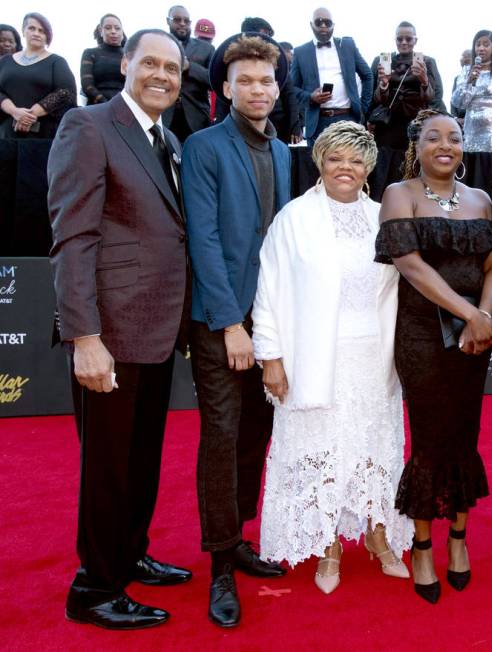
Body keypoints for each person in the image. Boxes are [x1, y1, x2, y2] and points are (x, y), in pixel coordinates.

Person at [48, 28, 191, 630]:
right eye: (151, 63)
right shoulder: (88, 125)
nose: (163, 75)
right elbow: (73, 237)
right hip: (109, 332)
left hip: (157, 328)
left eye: (174, 68)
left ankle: (129, 554)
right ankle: (94, 587)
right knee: (107, 466)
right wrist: (85, 336)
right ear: (125, 63)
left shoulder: (168, 137)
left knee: (140, 459)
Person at [253, 121, 413, 594]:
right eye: (336, 158)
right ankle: (327, 547)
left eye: (356, 159)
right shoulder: (294, 218)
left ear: (368, 167)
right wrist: (272, 358)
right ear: (320, 161)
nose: (346, 167)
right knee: (320, 453)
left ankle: (379, 536)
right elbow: (269, 290)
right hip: (312, 359)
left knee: (373, 452)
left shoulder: (383, 215)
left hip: (374, 361)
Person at [182, 32, 291, 628]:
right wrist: (230, 325)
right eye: (245, 80)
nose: (257, 89)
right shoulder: (203, 146)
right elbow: (204, 239)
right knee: (222, 439)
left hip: (269, 319)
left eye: (266, 81)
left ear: (278, 89)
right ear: (225, 88)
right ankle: (220, 564)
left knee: (256, 433)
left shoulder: (279, 150)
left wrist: (272, 323)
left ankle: (241, 537)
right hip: (221, 320)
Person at [376, 109, 492, 603]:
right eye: (434, 137)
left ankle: (458, 541)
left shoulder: (481, 200)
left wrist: (484, 317)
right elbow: (411, 266)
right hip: (422, 334)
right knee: (429, 440)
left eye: (454, 137)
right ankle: (422, 546)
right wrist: (469, 314)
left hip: (474, 339)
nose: (445, 145)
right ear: (418, 145)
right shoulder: (399, 194)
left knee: (464, 436)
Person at [289, 7, 372, 141]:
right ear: (311, 25)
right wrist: (311, 97)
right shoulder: (300, 52)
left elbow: (367, 75)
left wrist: (363, 108)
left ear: (333, 25)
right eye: (319, 22)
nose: (323, 26)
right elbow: (292, 88)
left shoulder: (347, 45)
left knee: (348, 161)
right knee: (318, 162)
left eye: (327, 23)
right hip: (317, 123)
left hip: (348, 119)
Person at [368, 21, 445, 150]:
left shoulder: (427, 62)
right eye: (399, 39)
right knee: (386, 164)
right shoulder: (381, 61)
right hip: (387, 124)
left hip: (417, 123)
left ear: (415, 40)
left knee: (414, 163)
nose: (404, 42)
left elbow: (435, 97)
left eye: (408, 39)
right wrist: (383, 85)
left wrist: (424, 80)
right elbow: (374, 97)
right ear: (395, 40)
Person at [0, 13, 75, 139]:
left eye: (42, 31)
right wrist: (14, 111)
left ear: (48, 36)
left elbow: (66, 92)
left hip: (43, 133)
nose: (36, 33)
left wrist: (30, 115)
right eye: (31, 28)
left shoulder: (57, 62)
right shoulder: (5, 61)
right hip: (6, 132)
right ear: (23, 31)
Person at [237, 17, 301, 144]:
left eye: (269, 35)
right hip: (242, 125)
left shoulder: (277, 61)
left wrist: (294, 125)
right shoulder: (234, 61)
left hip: (278, 126)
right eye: (264, 34)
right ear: (248, 35)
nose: (268, 40)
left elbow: (289, 95)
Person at [164, 5, 215, 141]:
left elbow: (214, 82)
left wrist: (190, 67)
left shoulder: (206, 49)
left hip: (197, 117)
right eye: (177, 20)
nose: (182, 24)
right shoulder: (157, 45)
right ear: (168, 21)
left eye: (186, 21)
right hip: (163, 115)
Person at [80, 14, 125, 105]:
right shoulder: (90, 53)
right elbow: (87, 86)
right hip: (97, 107)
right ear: (101, 31)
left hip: (126, 105)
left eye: (117, 28)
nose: (113, 31)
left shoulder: (130, 56)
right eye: (108, 28)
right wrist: (105, 103)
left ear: (122, 31)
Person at [451, 49, 471, 121]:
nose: (461, 59)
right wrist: (455, 118)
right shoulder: (457, 79)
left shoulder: (478, 76)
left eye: (465, 56)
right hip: (459, 119)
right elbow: (453, 100)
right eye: (462, 57)